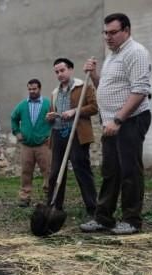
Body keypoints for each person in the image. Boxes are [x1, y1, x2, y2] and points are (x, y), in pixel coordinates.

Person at [80, 13, 152, 235]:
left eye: (113, 33)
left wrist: (119, 119)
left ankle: (131, 220)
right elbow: (106, 87)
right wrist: (93, 75)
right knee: (110, 171)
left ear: (126, 31)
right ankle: (104, 218)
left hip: (130, 120)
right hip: (111, 122)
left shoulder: (136, 52)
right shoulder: (113, 55)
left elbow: (140, 90)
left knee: (130, 171)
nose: (108, 37)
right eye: (105, 33)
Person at [46, 58, 98, 216]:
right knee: (55, 172)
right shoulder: (55, 92)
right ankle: (54, 206)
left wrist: (75, 111)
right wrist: (50, 116)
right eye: (56, 72)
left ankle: (93, 207)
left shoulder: (83, 86)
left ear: (70, 69)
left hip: (77, 134)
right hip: (58, 135)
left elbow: (94, 107)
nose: (59, 74)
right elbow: (52, 112)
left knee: (81, 170)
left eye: (62, 70)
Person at [10, 79, 52, 207]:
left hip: (44, 145)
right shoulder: (22, 105)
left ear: (40, 89)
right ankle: (25, 197)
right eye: (30, 89)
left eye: (34, 89)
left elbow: (55, 119)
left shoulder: (47, 104)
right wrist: (16, 132)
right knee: (26, 172)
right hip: (27, 145)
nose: (32, 91)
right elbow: (13, 118)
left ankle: (50, 196)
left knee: (48, 171)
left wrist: (50, 135)